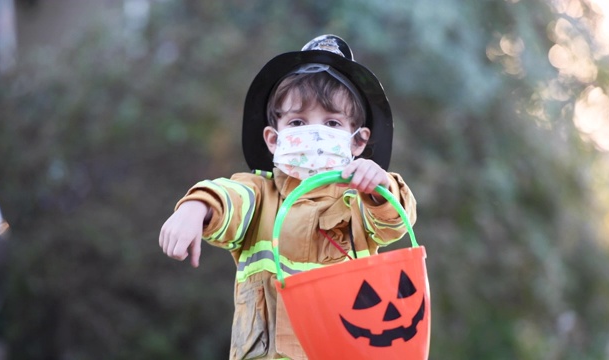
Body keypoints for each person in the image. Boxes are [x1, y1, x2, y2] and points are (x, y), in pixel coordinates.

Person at [159, 34, 417, 360]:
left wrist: (380, 188)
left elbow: (393, 221)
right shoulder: (259, 194)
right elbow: (231, 198)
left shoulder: (360, 201)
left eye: (332, 122)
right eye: (297, 121)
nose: (314, 132)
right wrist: (197, 206)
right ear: (273, 138)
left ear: (358, 141)